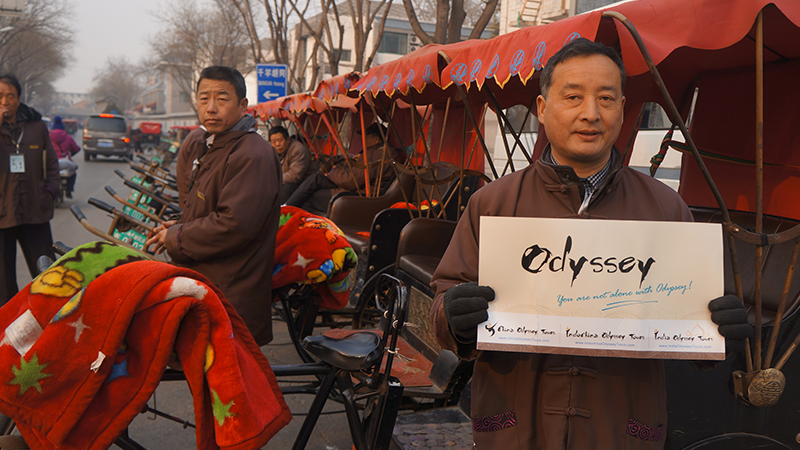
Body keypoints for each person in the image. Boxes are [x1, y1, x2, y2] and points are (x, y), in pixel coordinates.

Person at [429, 38, 752, 449]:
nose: (590, 113)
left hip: (621, 429)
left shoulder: (666, 210)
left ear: (622, 109)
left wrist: (720, 333)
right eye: (573, 96)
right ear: (543, 109)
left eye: (606, 98)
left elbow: (693, 336)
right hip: (515, 426)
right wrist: (453, 317)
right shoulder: (493, 204)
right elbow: (442, 304)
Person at [145, 66, 282, 346]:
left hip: (232, 294)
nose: (211, 108)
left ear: (243, 105)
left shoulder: (253, 154)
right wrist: (178, 227)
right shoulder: (215, 145)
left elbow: (233, 225)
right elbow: (207, 210)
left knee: (228, 383)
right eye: (203, 98)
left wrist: (177, 237)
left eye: (222, 99)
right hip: (212, 285)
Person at [0, 74, 58, 305]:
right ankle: (7, 330)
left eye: (10, 96)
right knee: (3, 283)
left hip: (36, 210)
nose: (5, 100)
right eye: (0, 96)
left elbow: (52, 163)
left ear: (19, 99)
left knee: (48, 274)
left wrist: (50, 191)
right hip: (3, 215)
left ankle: (52, 321)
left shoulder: (36, 126)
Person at [284, 122, 400, 214]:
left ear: (376, 139)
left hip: (358, 194)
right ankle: (286, 207)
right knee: (316, 179)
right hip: (352, 186)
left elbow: (352, 181)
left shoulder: (375, 155)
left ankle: (289, 212)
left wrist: (333, 171)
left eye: (367, 137)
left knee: (310, 197)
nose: (363, 140)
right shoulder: (381, 152)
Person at [268, 125, 316, 204]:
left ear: (288, 139)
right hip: (284, 180)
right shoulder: (273, 151)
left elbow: (294, 176)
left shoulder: (298, 149)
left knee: (286, 188)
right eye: (273, 142)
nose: (277, 144)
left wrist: (274, 179)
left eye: (280, 140)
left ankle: (282, 211)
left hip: (304, 184)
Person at [49, 115, 80, 198]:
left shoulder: (48, 137)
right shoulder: (68, 137)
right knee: (73, 173)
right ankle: (69, 191)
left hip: (51, 163)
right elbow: (76, 149)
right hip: (65, 162)